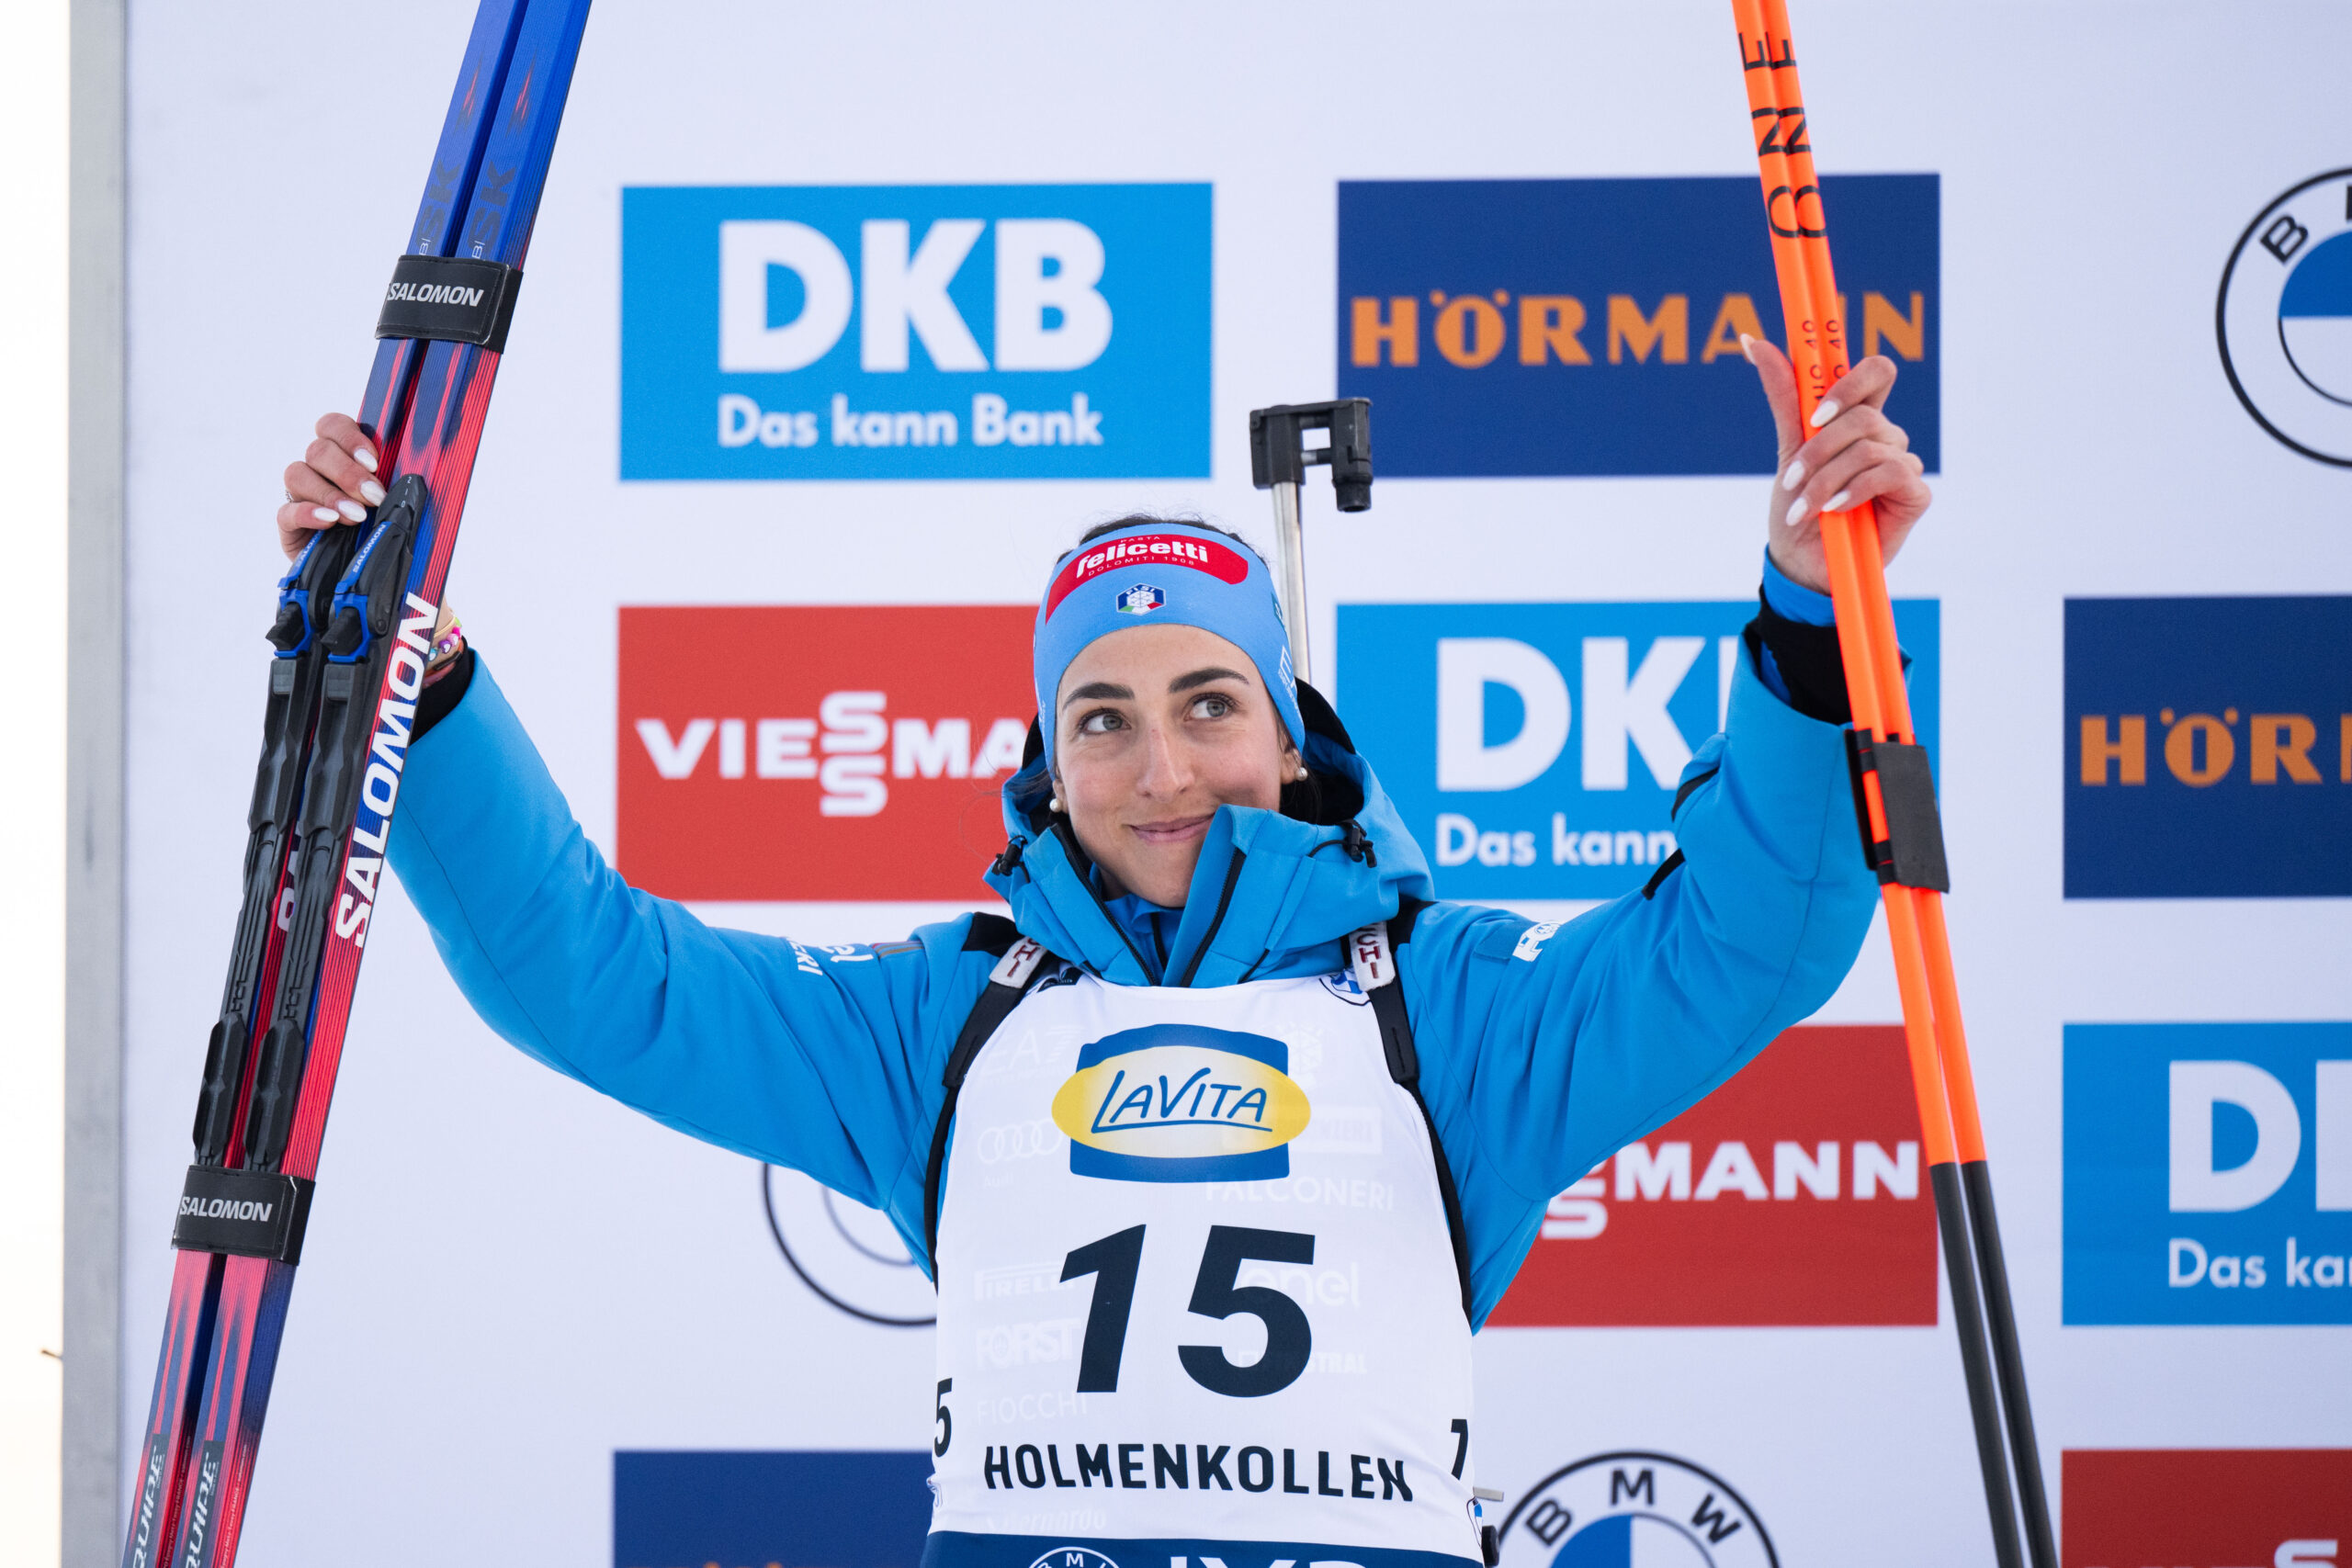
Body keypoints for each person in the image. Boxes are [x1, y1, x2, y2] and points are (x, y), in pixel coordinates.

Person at [277, 335, 1929, 1568]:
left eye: (1209, 706)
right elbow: (595, 978)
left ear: (1287, 739)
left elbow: (1749, 943)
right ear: (1049, 763)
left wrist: (1805, 609)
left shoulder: (1439, 1003)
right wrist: (415, 670)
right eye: (1103, 721)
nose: (1160, 773)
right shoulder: (952, 1017)